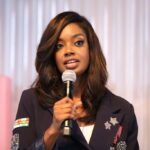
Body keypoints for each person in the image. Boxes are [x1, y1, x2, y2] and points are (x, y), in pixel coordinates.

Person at [11, 11, 139, 150]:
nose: (68, 51)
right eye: (59, 46)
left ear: (91, 49)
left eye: (78, 42)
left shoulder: (123, 109)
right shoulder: (31, 100)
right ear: (52, 55)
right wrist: (52, 131)